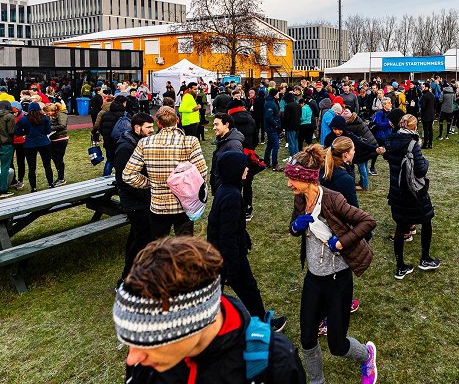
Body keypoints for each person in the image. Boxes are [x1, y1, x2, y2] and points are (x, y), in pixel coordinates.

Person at [114, 236, 305, 383]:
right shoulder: (146, 365)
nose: (132, 359)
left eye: (150, 341)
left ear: (194, 320)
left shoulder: (275, 363)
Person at [285, 145, 378, 384]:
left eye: (293, 179)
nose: (289, 184)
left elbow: (367, 221)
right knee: (307, 338)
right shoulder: (300, 198)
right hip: (314, 278)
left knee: (337, 344)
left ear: (307, 178)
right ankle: (317, 381)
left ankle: (366, 355)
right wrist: (296, 227)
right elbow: (294, 226)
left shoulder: (333, 199)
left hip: (338, 280)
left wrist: (342, 242)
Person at [207, 151, 287, 331]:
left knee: (228, 290)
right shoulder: (232, 196)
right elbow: (226, 234)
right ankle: (262, 322)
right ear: (234, 170)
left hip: (221, 251)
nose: (246, 169)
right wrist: (232, 264)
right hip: (228, 253)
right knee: (247, 287)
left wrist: (244, 237)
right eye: (243, 166)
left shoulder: (227, 188)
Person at [123, 106, 208, 238]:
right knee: (185, 248)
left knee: (160, 247)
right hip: (183, 202)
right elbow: (202, 172)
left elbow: (128, 175)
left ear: (159, 123)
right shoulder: (190, 141)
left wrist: (150, 183)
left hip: (158, 205)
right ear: (177, 120)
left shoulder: (145, 143)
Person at [383, 114, 440, 280]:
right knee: (426, 220)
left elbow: (389, 157)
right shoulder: (413, 143)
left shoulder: (391, 140)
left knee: (401, 227)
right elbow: (420, 170)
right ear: (414, 127)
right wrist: (426, 161)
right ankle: (425, 258)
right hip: (413, 192)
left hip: (397, 189)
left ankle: (400, 266)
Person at [114, 112, 155, 284]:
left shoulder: (139, 142)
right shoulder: (126, 147)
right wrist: (146, 193)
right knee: (142, 239)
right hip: (134, 201)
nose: (152, 130)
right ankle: (126, 278)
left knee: (138, 238)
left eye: (153, 127)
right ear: (137, 128)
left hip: (142, 198)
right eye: (149, 127)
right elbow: (124, 180)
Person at [15, 102, 54, 192]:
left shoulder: (24, 119)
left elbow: (17, 131)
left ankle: (34, 188)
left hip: (30, 144)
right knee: (47, 165)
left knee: (31, 167)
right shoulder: (45, 118)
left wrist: (26, 133)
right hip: (44, 142)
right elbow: (48, 130)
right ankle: (51, 184)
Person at [210, 113, 244, 194]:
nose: (214, 128)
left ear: (226, 125)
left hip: (226, 190)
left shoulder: (233, 145)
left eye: (217, 124)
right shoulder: (223, 140)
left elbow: (235, 172)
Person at [97, 95, 129, 176]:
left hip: (108, 141)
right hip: (120, 142)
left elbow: (100, 127)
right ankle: (120, 178)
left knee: (109, 160)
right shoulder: (124, 114)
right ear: (123, 103)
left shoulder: (106, 114)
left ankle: (105, 177)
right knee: (121, 161)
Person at [46, 103, 69, 187]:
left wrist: (50, 128)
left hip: (60, 139)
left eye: (48, 112)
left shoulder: (61, 114)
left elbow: (62, 125)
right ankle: (60, 177)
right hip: (54, 138)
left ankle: (61, 178)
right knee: (55, 158)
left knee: (58, 158)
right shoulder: (55, 115)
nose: (47, 114)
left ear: (53, 110)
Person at [263, 88, 283, 171]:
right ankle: (275, 164)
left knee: (270, 145)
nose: (279, 95)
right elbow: (269, 117)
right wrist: (277, 125)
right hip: (272, 128)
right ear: (274, 95)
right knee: (276, 145)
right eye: (277, 93)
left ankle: (266, 162)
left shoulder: (271, 102)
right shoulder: (270, 103)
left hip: (271, 127)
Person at [9, 102, 26, 191]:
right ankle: (13, 179)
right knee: (10, 161)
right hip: (11, 141)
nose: (14, 112)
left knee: (20, 161)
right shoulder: (9, 116)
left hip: (20, 142)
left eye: (15, 110)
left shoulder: (23, 117)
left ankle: (20, 180)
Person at [0, 101, 15, 197]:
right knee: (5, 167)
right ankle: (3, 189)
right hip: (6, 144)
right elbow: (11, 131)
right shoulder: (9, 116)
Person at [283, 92, 301, 158]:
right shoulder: (298, 105)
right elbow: (300, 115)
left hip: (290, 127)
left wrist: (284, 126)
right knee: (296, 141)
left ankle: (292, 156)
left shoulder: (287, 106)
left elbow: (286, 118)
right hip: (297, 126)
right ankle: (297, 155)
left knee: (291, 142)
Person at [419, 83, 435, 149]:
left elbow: (423, 106)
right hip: (431, 114)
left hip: (426, 114)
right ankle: (430, 143)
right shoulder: (432, 95)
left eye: (423, 87)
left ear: (426, 88)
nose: (422, 88)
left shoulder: (424, 96)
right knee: (430, 129)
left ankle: (425, 143)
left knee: (426, 130)